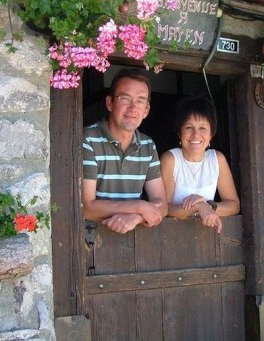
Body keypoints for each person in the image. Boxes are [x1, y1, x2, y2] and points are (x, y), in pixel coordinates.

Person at [82, 68, 168, 234]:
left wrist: (137, 217)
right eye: (125, 98)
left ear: (146, 110)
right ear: (110, 103)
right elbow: (88, 208)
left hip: (136, 241)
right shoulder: (88, 139)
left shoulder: (148, 145)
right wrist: (139, 206)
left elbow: (162, 205)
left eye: (140, 101)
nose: (133, 108)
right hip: (92, 241)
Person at [160, 96, 240, 233]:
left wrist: (207, 205)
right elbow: (164, 208)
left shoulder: (217, 159)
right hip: (170, 234)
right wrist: (198, 207)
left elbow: (234, 205)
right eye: (189, 127)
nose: (196, 135)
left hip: (207, 237)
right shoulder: (170, 159)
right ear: (180, 133)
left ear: (211, 134)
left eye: (203, 128)